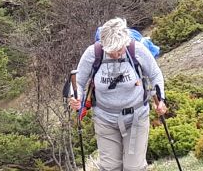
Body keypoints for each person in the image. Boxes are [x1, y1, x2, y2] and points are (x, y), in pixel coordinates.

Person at [68, 18, 167, 171]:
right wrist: (75, 97)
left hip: (136, 117)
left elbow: (155, 74)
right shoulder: (93, 53)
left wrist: (161, 100)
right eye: (111, 51)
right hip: (105, 119)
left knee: (133, 168)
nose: (115, 55)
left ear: (126, 42)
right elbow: (78, 82)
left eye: (119, 50)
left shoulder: (137, 50)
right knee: (109, 167)